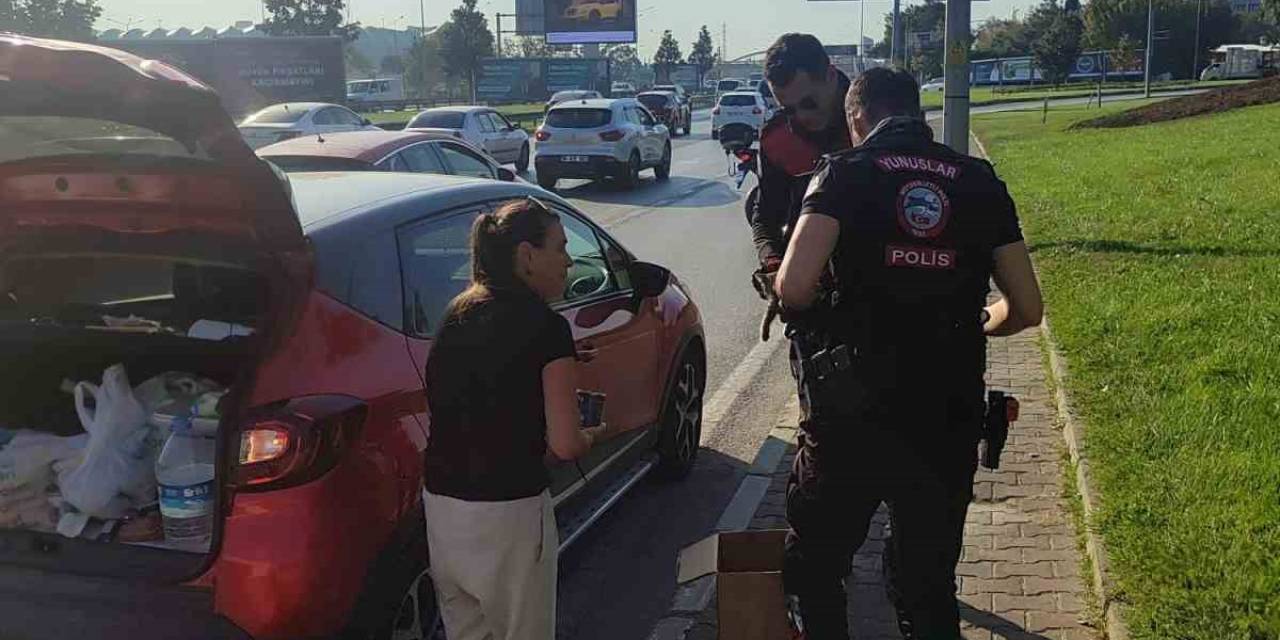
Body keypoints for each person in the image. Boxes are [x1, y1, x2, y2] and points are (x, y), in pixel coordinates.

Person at [773, 68, 1044, 639]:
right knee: (927, 584)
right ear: (918, 113)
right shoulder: (978, 181)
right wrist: (979, 321)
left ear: (856, 118)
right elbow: (1026, 307)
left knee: (818, 568)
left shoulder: (843, 174)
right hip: (945, 415)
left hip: (853, 415)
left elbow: (794, 287)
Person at [423, 198, 613, 640]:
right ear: (527, 255)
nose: (568, 260)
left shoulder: (458, 313)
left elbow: (486, 380)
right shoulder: (547, 328)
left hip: (444, 507)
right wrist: (594, 433)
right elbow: (566, 445)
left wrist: (561, 362)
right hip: (508, 514)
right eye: (560, 247)